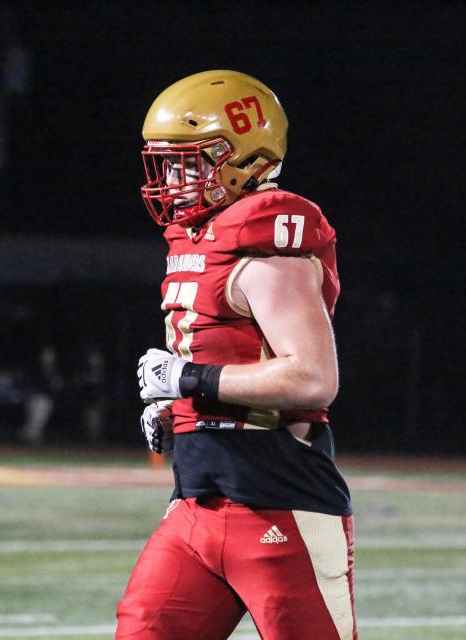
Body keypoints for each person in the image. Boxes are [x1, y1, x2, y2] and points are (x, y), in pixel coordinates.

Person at [119, 70, 356, 640]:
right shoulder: (199, 241)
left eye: (187, 160)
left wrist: (188, 379)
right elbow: (230, 363)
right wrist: (181, 414)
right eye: (166, 161)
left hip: (280, 505)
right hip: (198, 505)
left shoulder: (267, 244)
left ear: (244, 158)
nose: (172, 177)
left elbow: (312, 379)